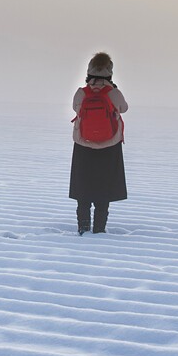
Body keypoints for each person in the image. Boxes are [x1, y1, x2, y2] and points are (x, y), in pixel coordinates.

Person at [69, 51, 128, 235]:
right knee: (104, 188)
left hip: (83, 145)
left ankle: (83, 227)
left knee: (83, 188)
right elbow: (124, 108)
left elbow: (75, 108)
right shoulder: (114, 93)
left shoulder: (81, 93)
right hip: (109, 147)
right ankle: (99, 229)